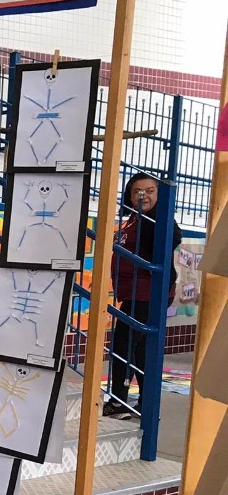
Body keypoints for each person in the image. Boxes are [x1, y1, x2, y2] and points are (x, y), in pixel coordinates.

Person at [104, 172, 182, 419]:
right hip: (134, 293)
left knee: (123, 345)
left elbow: (174, 237)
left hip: (146, 294)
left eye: (150, 191)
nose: (143, 195)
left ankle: (119, 400)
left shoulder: (156, 218)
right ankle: (144, 402)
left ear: (159, 195)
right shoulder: (134, 219)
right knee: (138, 349)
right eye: (137, 191)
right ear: (129, 195)